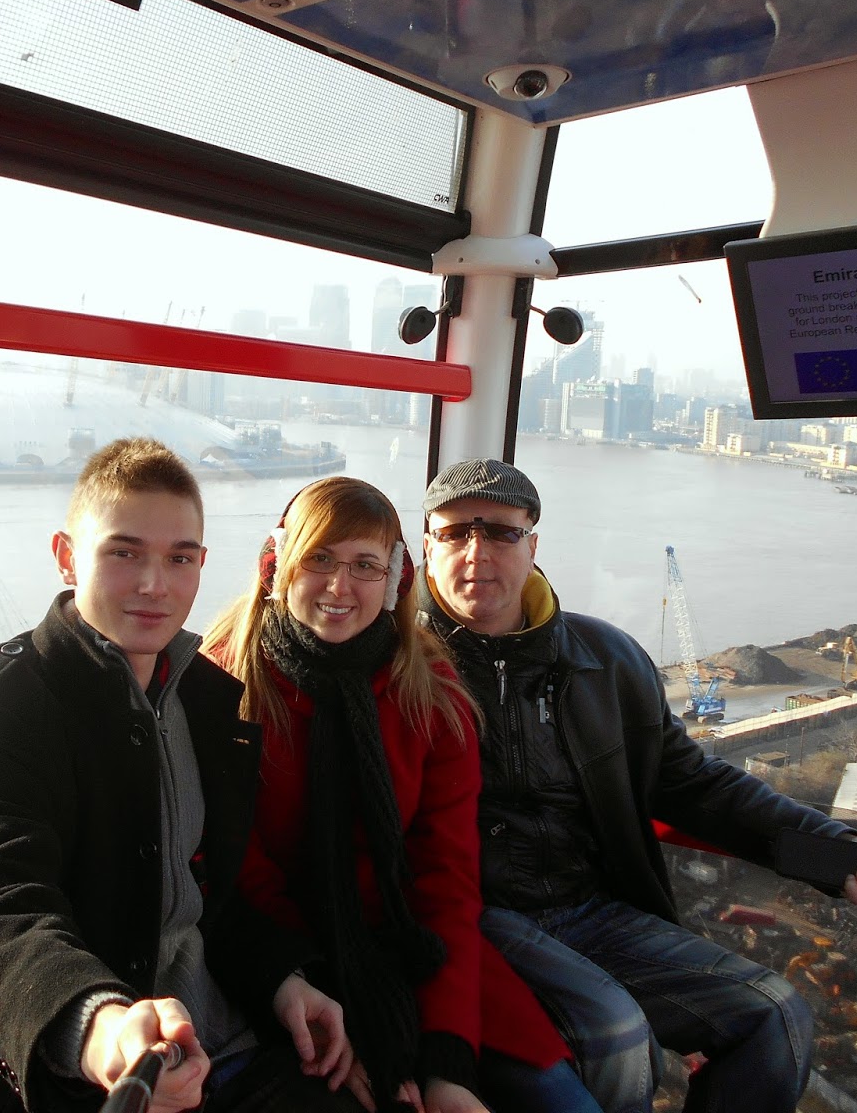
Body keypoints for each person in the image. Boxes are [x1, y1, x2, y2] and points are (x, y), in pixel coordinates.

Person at [417, 458, 857, 1113]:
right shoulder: (399, 665)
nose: (477, 552)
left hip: (590, 911)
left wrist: (840, 850)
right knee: (616, 1038)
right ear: (427, 547)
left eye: (502, 533)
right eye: (456, 533)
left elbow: (697, 785)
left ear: (533, 546)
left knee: (776, 1015)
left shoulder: (606, 661)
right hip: (469, 916)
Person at [0, 438, 363, 1113]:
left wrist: (283, 981)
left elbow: (203, 891)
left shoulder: (205, 701)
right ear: (67, 556)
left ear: (201, 565)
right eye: (124, 553)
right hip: (96, 1080)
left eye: (179, 558)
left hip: (229, 1046)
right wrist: (101, 1028)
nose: (155, 584)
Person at [205, 477, 599, 1113]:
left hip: (420, 956)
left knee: (564, 1101)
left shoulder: (431, 694)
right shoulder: (225, 686)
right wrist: (351, 1013)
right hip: (279, 970)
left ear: (393, 580)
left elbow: (447, 883)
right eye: (318, 559)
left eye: (365, 565)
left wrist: (447, 1063)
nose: (340, 587)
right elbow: (235, 876)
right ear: (277, 565)